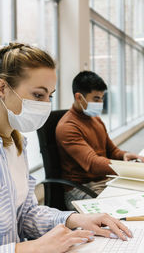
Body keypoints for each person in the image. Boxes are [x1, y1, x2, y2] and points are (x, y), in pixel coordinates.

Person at [0, 45, 132, 253]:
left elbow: (24, 214)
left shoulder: (17, 143)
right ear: (2, 88)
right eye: (38, 95)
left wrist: (75, 219)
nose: (45, 104)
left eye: (49, 96)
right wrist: (31, 249)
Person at [56, 70, 144, 210]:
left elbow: (111, 150)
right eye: (96, 98)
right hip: (81, 188)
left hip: (103, 180)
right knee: (123, 210)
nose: (101, 103)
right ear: (79, 97)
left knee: (137, 197)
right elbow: (92, 163)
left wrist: (124, 155)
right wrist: (129, 169)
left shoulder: (95, 119)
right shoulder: (67, 127)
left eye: (102, 98)